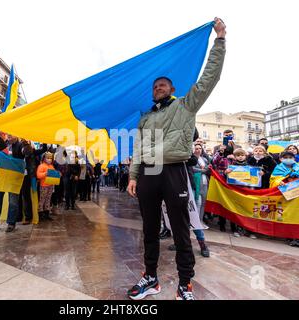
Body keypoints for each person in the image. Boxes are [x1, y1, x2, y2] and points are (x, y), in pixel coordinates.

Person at [127, 17, 226, 301]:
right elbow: (138, 149)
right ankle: (151, 278)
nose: (158, 87)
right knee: (148, 227)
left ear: (172, 89)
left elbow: (210, 77)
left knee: (181, 227)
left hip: (174, 172)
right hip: (147, 173)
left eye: (163, 85)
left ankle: (185, 283)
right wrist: (134, 175)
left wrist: (219, 41)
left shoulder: (186, 105)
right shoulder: (145, 118)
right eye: (155, 85)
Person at [0, 134, 32, 232]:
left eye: (11, 134)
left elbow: (27, 152)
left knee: (13, 202)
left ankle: (11, 223)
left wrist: (26, 143)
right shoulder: (3, 144)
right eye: (8, 134)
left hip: (14, 178)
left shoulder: (21, 145)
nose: (9, 136)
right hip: (2, 177)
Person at [270, 151, 299, 248]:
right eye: (285, 157)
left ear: (294, 158)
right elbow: (273, 179)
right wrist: (279, 181)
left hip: (298, 196)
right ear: (281, 159)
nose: (288, 159)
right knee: (286, 214)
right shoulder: (278, 168)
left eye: (290, 157)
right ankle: (288, 235)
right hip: (284, 196)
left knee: (297, 215)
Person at [37, 152, 57, 220]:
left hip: (50, 185)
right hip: (44, 185)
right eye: (48, 158)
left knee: (48, 200)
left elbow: (54, 174)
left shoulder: (51, 166)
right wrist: (46, 173)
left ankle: (47, 214)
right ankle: (40, 214)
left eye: (51, 158)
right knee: (42, 200)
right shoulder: (41, 166)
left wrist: (58, 174)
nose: (49, 159)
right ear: (44, 158)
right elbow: (38, 175)